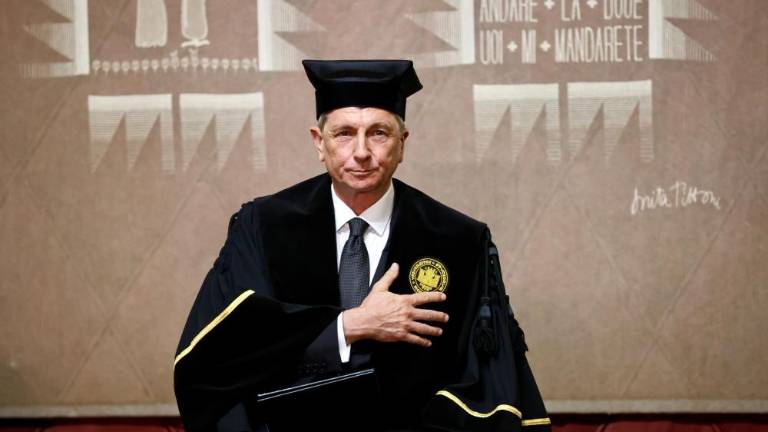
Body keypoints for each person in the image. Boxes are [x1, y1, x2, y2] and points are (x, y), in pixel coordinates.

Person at [174, 59, 550, 432]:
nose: (361, 152)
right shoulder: (262, 227)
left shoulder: (459, 242)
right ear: (319, 142)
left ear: (402, 144)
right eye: (344, 133)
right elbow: (219, 360)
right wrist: (349, 326)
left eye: (379, 133)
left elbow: (486, 384)